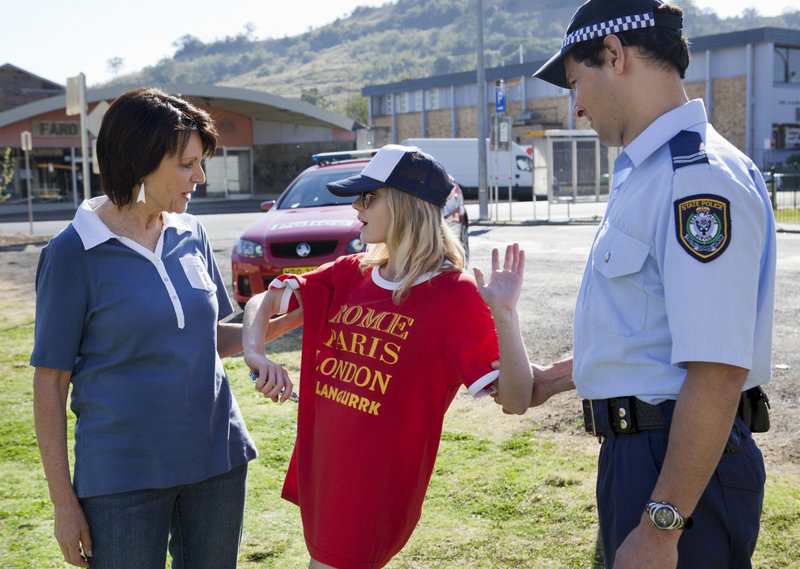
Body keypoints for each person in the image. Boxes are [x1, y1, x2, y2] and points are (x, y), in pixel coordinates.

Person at [500, 1, 776, 568]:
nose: (575, 106)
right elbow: (651, 328)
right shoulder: (653, 172)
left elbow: (718, 369)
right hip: (648, 458)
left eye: (576, 82)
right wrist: (559, 377)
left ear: (614, 54)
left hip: (675, 466)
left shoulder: (695, 179)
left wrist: (662, 526)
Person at [242, 144, 533, 569]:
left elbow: (517, 399)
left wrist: (505, 316)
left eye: (368, 196)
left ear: (405, 204)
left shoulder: (456, 295)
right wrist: (256, 354)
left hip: (371, 491)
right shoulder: (351, 271)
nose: (356, 207)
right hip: (323, 471)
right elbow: (262, 302)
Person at [30, 87, 265, 569]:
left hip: (216, 460)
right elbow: (50, 383)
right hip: (122, 478)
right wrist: (63, 504)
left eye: (202, 162)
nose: (200, 177)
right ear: (139, 161)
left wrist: (299, 316)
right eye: (187, 164)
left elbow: (209, 339)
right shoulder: (72, 253)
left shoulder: (191, 232)